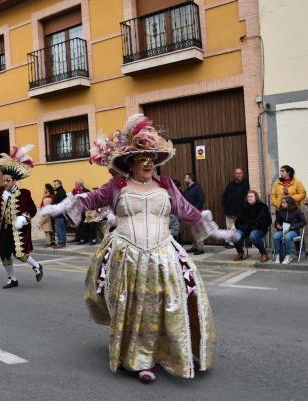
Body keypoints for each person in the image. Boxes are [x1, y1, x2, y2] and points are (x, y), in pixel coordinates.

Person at [42, 114, 235, 383]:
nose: (147, 164)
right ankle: (138, 360)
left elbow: (188, 212)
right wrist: (59, 207)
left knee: (167, 304)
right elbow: (89, 199)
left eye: (151, 159)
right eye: (141, 159)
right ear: (130, 163)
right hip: (128, 254)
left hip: (163, 253)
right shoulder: (117, 186)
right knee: (135, 307)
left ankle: (168, 352)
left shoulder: (166, 186)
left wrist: (215, 230)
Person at [0, 144, 44, 288]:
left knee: (20, 254)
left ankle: (37, 266)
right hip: (6, 228)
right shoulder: (2, 195)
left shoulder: (24, 193)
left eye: (7, 181)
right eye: (3, 181)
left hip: (19, 229)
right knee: (4, 254)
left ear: (14, 181)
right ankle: (12, 279)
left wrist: (24, 218)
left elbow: (33, 210)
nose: (5, 183)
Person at [232, 190, 271, 262]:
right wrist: (242, 227)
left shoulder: (262, 206)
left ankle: (264, 254)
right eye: (248, 196)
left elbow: (267, 220)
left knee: (253, 236)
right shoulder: (243, 206)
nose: (249, 198)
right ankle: (240, 253)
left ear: (256, 197)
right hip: (245, 229)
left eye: (251, 196)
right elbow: (238, 220)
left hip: (259, 228)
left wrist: (254, 226)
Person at [272, 196, 306, 265]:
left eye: (284, 203)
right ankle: (278, 256)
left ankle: (288, 256)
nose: (282, 204)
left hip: (293, 231)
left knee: (287, 237)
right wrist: (277, 225)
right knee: (275, 236)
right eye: (282, 203)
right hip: (283, 230)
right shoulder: (280, 211)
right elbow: (277, 222)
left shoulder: (297, 211)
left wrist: (294, 226)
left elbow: (303, 222)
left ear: (289, 203)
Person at [222, 168, 249, 248]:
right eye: (237, 173)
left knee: (235, 227)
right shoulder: (231, 184)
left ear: (242, 174)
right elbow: (225, 195)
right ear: (235, 174)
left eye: (240, 173)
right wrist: (225, 205)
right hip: (229, 210)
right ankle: (229, 242)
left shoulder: (246, 185)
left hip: (239, 211)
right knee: (229, 227)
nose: (238, 175)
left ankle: (233, 243)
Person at [184, 172, 206, 255]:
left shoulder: (197, 188)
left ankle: (200, 248)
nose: (184, 179)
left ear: (190, 179)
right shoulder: (188, 189)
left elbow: (201, 200)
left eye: (186, 178)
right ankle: (195, 246)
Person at [52, 179, 67, 248]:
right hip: (61, 213)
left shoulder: (60, 192)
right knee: (62, 228)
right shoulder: (61, 191)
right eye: (54, 185)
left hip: (59, 214)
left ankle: (61, 243)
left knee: (59, 229)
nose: (54, 186)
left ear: (60, 184)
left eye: (55, 185)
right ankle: (63, 242)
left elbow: (59, 203)